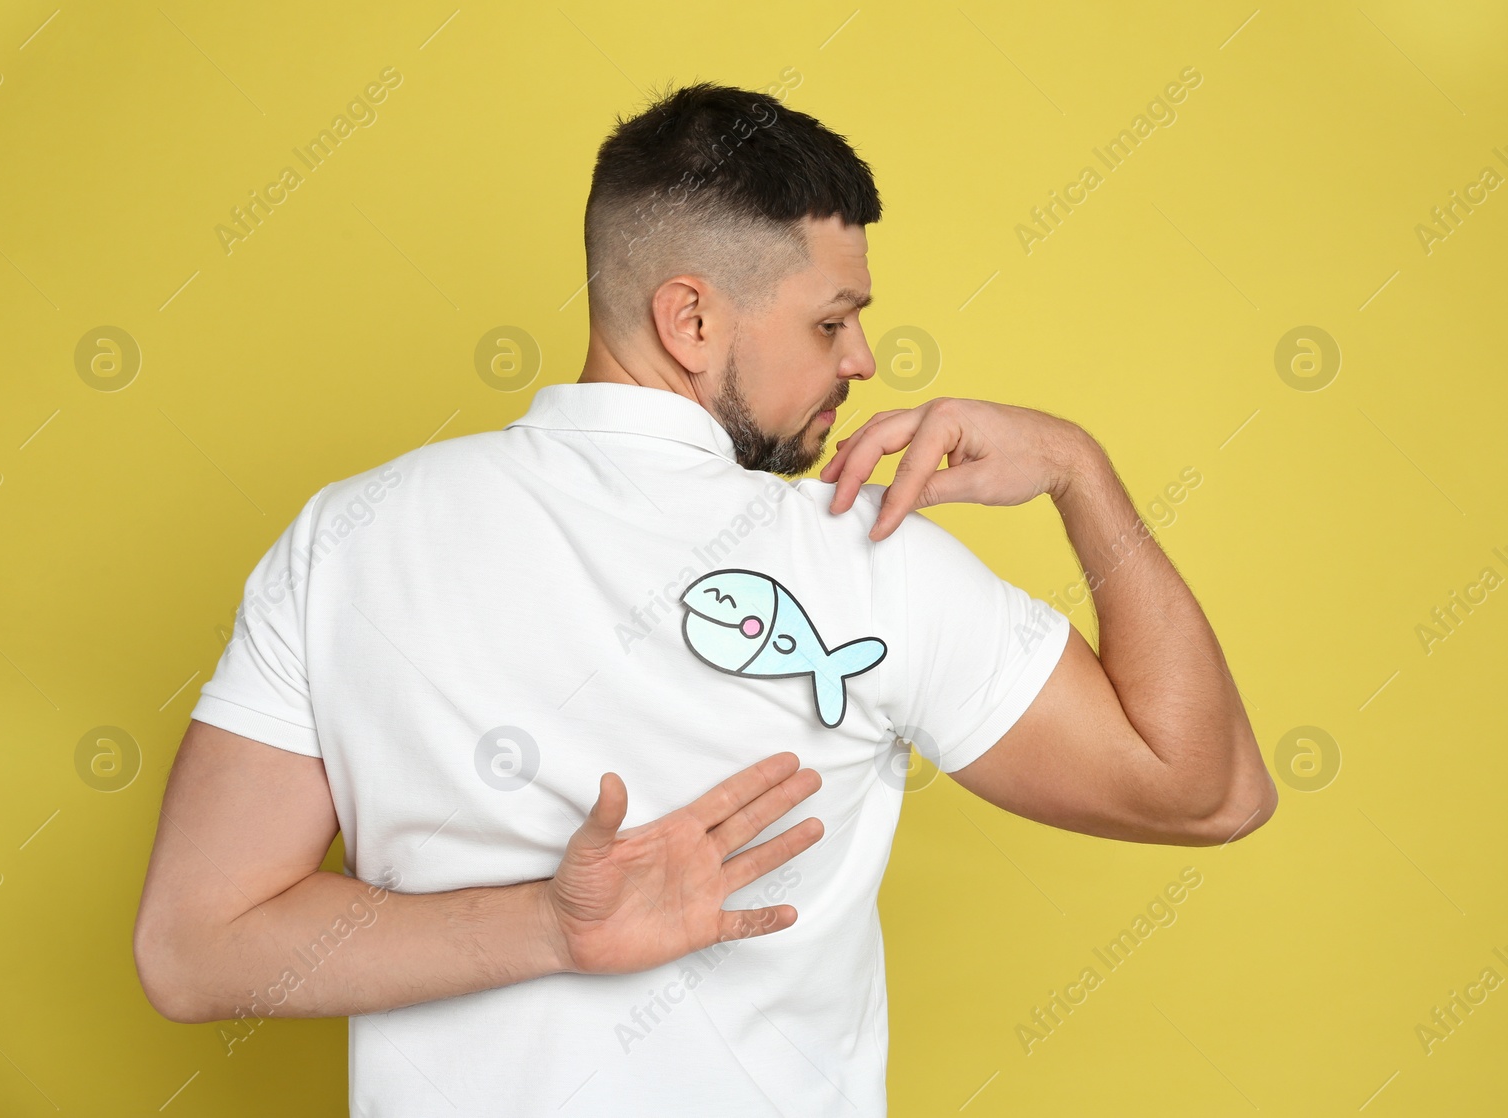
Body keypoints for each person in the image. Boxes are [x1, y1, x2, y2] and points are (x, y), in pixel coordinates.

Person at [132, 82, 1275, 1116]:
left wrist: (540, 927)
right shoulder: (863, 558)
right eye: (832, 320)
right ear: (690, 320)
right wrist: (1080, 471)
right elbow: (1206, 790)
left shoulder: (347, 538)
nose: (863, 358)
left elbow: (196, 945)